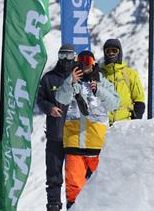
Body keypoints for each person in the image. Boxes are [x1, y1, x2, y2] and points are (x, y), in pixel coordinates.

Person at [56, 50, 119, 208]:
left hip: (96, 143)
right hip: (74, 143)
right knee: (74, 188)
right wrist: (70, 82)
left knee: (104, 186)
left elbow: (114, 104)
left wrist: (99, 90)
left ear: (94, 63)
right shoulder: (71, 80)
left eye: (88, 61)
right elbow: (60, 99)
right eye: (81, 61)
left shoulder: (102, 81)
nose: (85, 65)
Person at [36, 44, 76, 211]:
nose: (66, 60)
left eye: (69, 56)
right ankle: (53, 205)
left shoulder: (79, 76)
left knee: (74, 175)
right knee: (53, 174)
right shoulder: (48, 78)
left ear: (74, 57)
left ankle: (74, 205)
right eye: (62, 56)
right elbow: (40, 100)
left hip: (75, 136)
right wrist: (49, 108)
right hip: (55, 134)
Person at [100, 38, 145, 125]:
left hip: (125, 123)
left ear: (119, 52)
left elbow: (139, 101)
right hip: (104, 123)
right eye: (108, 51)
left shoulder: (131, 74)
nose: (111, 53)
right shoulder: (100, 74)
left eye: (114, 50)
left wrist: (134, 122)